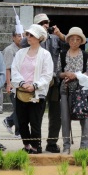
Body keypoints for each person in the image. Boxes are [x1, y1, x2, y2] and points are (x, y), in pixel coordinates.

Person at [11, 24, 53, 154]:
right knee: (22, 122)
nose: (28, 37)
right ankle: (26, 145)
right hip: (21, 92)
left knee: (35, 122)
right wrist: (23, 84)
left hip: (36, 93)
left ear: (39, 38)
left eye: (32, 35)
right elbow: (14, 70)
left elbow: (47, 75)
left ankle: (36, 147)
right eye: (28, 34)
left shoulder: (45, 55)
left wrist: (35, 85)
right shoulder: (20, 53)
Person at [56, 27, 88, 154]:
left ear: (81, 41)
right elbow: (58, 73)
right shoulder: (62, 55)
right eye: (72, 39)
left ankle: (84, 146)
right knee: (65, 119)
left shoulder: (85, 55)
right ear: (68, 41)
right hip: (65, 90)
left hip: (82, 91)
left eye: (77, 39)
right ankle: (66, 146)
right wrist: (66, 74)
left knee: (84, 118)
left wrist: (77, 75)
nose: (74, 41)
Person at [32, 13, 66, 153]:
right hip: (37, 82)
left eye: (46, 22)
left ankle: (52, 142)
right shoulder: (31, 39)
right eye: (41, 23)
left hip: (55, 81)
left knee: (55, 113)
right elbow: (22, 44)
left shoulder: (55, 37)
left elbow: (70, 44)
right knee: (36, 114)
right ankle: (36, 143)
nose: (45, 25)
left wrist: (59, 34)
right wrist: (35, 34)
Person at [2, 27, 23, 139]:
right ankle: (18, 132)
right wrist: (8, 84)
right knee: (18, 107)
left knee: (22, 107)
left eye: (22, 35)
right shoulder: (10, 50)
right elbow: (7, 68)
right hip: (13, 83)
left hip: (22, 82)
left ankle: (9, 121)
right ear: (13, 37)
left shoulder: (24, 48)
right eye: (18, 35)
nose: (21, 37)